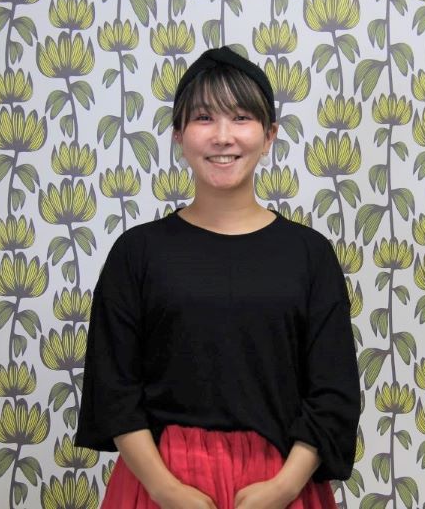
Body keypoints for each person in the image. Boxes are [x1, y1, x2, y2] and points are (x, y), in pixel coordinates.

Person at [75, 47, 361, 509]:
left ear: (268, 136)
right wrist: (165, 490)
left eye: (241, 118)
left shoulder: (310, 255)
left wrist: (284, 487)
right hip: (160, 482)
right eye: (204, 118)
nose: (223, 137)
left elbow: (333, 390)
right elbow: (114, 388)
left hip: (279, 484)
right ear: (179, 135)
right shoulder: (137, 253)